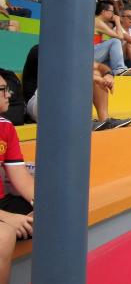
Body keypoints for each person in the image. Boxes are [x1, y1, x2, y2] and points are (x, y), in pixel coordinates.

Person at [0, 74, 35, 284]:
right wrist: (7, 218)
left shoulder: (5, 127)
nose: (10, 94)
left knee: (55, 215)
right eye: (3, 89)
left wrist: (38, 203)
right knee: (4, 235)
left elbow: (21, 177)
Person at [93, 0, 131, 76]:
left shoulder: (97, 21)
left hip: (93, 54)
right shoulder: (98, 22)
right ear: (103, 11)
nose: (113, 14)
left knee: (113, 48)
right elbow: (120, 37)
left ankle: (115, 70)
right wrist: (117, 21)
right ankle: (119, 69)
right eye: (112, 11)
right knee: (115, 41)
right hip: (91, 55)